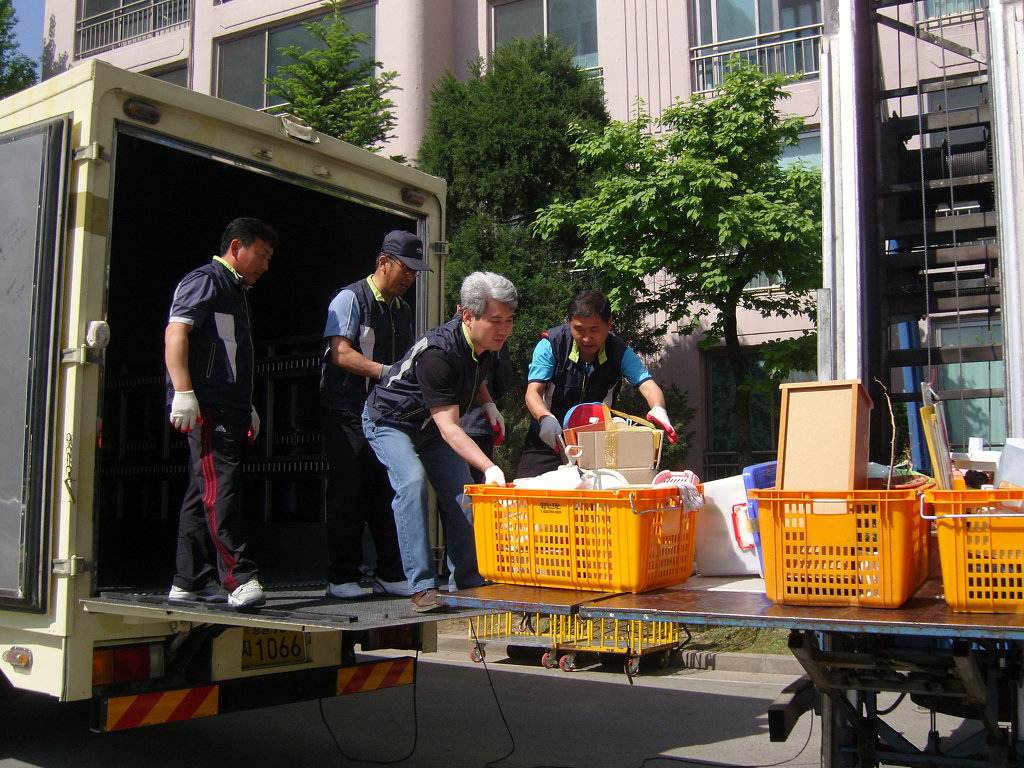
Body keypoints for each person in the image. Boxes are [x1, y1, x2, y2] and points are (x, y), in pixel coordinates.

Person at [362, 271, 516, 613]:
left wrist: (488, 404)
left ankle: (469, 580)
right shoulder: (438, 352)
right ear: (468, 316)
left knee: (463, 494)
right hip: (390, 420)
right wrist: (490, 467)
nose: (504, 329)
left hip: (431, 426)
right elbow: (450, 429)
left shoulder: (485, 344)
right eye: (496, 321)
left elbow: (473, 377)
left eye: (509, 320)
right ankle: (422, 586)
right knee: (412, 483)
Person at [165, 217, 278, 609]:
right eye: (261, 255)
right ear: (236, 247)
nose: (265, 265)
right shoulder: (207, 280)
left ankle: (189, 579)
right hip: (209, 405)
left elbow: (230, 355)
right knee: (221, 489)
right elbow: (176, 332)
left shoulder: (235, 290)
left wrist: (246, 404)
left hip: (228, 404)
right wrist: (184, 392)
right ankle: (238, 578)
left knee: (203, 489)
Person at [320, 230, 430, 600]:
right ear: (383, 262)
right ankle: (341, 577)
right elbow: (340, 353)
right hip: (347, 411)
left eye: (415, 272)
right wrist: (386, 372)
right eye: (405, 269)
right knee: (349, 493)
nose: (410, 277)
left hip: (385, 415)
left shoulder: (403, 310)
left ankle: (389, 573)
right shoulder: (350, 298)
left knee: (388, 489)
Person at [516, 289, 678, 479]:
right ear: (569, 322)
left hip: (597, 444)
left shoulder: (620, 351)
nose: (586, 338)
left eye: (594, 330)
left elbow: (648, 385)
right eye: (579, 330)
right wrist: (545, 418)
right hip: (548, 438)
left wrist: (658, 409)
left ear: (609, 324)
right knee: (529, 490)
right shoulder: (551, 344)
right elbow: (532, 393)